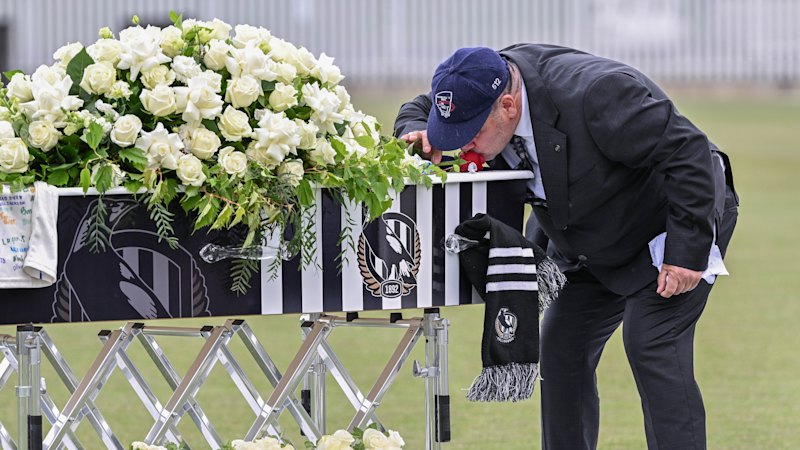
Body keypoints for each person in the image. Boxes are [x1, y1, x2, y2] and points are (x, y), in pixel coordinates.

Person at [394, 45, 738, 450]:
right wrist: (416, 129)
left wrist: (686, 252)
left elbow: (689, 152)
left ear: (507, 106)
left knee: (651, 344)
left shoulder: (598, 94)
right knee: (561, 350)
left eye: (470, 132)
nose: (461, 144)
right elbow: (419, 106)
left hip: (666, 223)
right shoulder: (476, 80)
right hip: (587, 235)